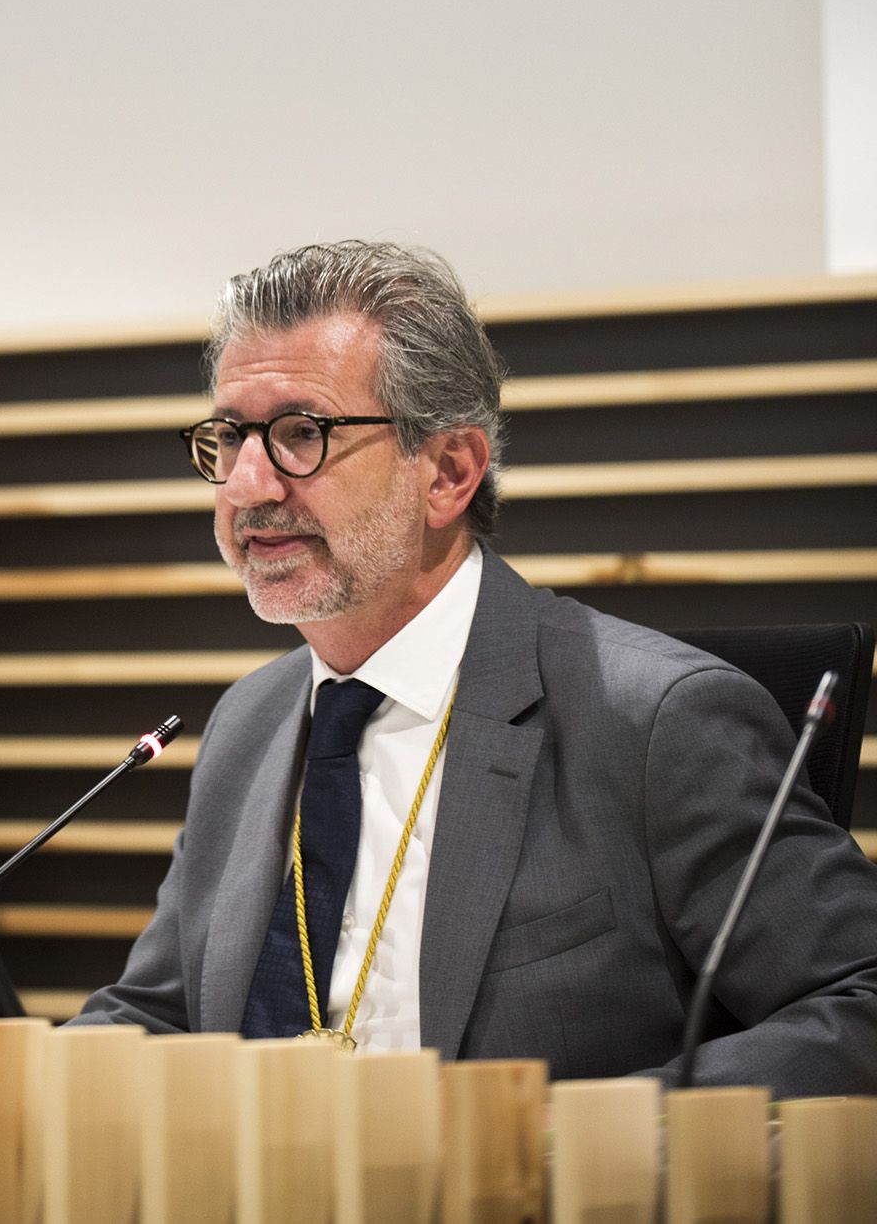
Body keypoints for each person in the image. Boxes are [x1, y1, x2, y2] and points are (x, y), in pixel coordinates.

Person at [72, 239, 877, 1092]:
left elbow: (858, 997)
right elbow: (158, 1014)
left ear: (449, 472)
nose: (245, 485)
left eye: (302, 434)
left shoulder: (652, 719)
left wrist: (581, 1134)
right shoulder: (249, 720)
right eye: (231, 436)